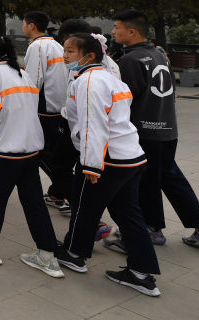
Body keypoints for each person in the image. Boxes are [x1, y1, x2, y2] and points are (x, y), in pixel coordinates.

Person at [55, 32, 159, 296]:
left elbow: (94, 124)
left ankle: (74, 254)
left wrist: (91, 165)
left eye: (70, 52)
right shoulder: (109, 78)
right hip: (129, 156)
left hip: (107, 159)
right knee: (129, 214)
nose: (64, 56)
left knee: (84, 208)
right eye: (65, 50)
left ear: (89, 56)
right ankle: (141, 272)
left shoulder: (89, 81)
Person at [107, 9, 199, 249]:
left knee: (146, 182)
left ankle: (151, 230)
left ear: (131, 31)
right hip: (167, 129)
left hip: (145, 131)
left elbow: (124, 99)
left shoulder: (130, 60)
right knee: (171, 178)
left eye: (116, 27)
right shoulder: (159, 54)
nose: (113, 31)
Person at [0, 32, 62, 278]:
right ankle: (47, 255)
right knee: (34, 204)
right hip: (30, 149)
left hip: (5, 150)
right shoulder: (22, 73)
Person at [22, 11, 72, 215]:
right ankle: (59, 193)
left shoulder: (37, 46)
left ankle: (70, 193)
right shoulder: (55, 45)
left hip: (44, 109)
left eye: (24, 23)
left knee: (43, 154)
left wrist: (25, 109)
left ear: (32, 26)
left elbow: (33, 82)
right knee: (54, 154)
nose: (23, 27)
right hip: (58, 107)